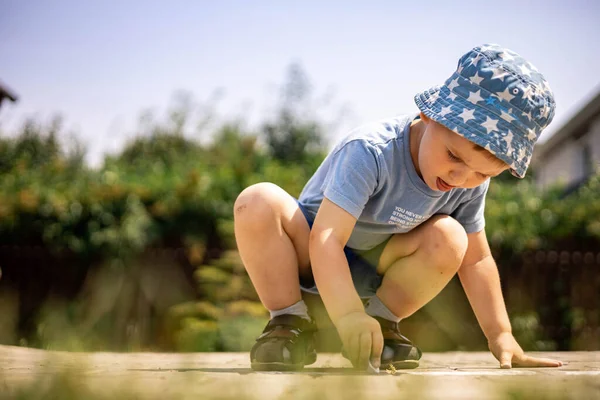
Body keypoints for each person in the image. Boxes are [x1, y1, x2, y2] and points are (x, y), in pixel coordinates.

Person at [233, 44, 564, 372]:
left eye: (484, 173)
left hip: (375, 268)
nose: (461, 177)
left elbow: (477, 260)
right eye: (454, 156)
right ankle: (289, 322)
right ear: (429, 114)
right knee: (257, 201)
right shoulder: (370, 151)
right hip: (308, 253)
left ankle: (380, 325)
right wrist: (348, 316)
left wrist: (501, 334)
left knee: (452, 237)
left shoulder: (469, 182)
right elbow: (326, 238)